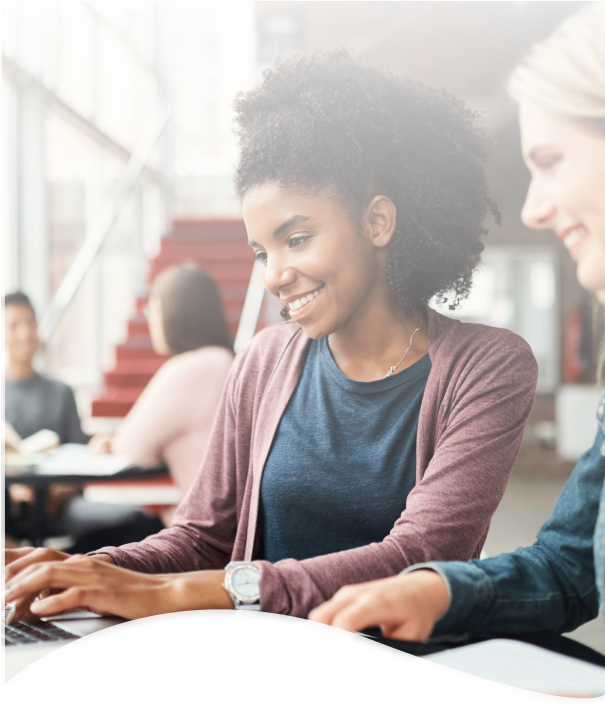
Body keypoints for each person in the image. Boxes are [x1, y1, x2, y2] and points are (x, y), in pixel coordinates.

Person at [1, 48, 539, 625]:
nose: (274, 274)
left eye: (297, 239)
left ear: (377, 222)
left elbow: (420, 558)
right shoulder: (263, 359)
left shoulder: (488, 366)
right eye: (262, 251)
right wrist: (87, 569)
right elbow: (202, 538)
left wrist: (184, 595)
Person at [307, 3, 605, 644]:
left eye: (551, 161)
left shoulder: (485, 365)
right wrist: (439, 588)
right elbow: (572, 567)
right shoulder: (267, 363)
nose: (534, 207)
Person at [1, 292, 161, 547]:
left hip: (60, 505)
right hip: (8, 507)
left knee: (136, 520)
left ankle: (70, 568)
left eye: (31, 323)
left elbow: (79, 459)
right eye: (14, 325)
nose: (25, 333)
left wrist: (58, 491)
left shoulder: (60, 392)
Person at [89, 264, 235, 527]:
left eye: (153, 309)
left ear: (176, 313)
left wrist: (110, 443)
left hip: (205, 532)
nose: (150, 319)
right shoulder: (226, 361)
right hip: (233, 524)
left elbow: (130, 449)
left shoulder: (191, 367)